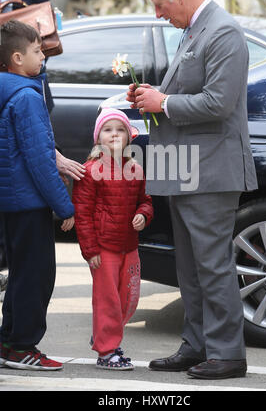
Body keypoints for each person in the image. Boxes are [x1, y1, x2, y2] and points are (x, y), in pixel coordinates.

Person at [127, 0, 258, 380]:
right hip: (186, 168)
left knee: (212, 264)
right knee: (191, 266)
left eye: (160, 4)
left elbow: (218, 104)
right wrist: (153, 94)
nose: (158, 13)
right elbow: (187, 92)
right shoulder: (195, 30)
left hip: (211, 170)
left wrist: (161, 103)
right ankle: (197, 344)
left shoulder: (223, 32)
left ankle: (227, 354)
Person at [0, 20, 75, 370]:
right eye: (36, 51)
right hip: (29, 203)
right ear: (17, 57)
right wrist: (64, 205)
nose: (43, 55)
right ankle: (22, 346)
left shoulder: (11, 89)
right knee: (37, 275)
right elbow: (41, 161)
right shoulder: (26, 97)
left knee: (20, 273)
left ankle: (9, 341)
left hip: (12, 202)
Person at [72, 108, 153, 370]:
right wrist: (90, 250)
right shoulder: (90, 170)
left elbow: (146, 201)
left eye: (120, 130)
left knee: (127, 298)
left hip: (129, 246)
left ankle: (104, 335)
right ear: (98, 137)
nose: (114, 134)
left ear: (129, 137)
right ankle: (107, 351)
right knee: (107, 300)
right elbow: (82, 214)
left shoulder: (135, 168)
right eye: (108, 130)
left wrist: (143, 214)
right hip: (104, 249)